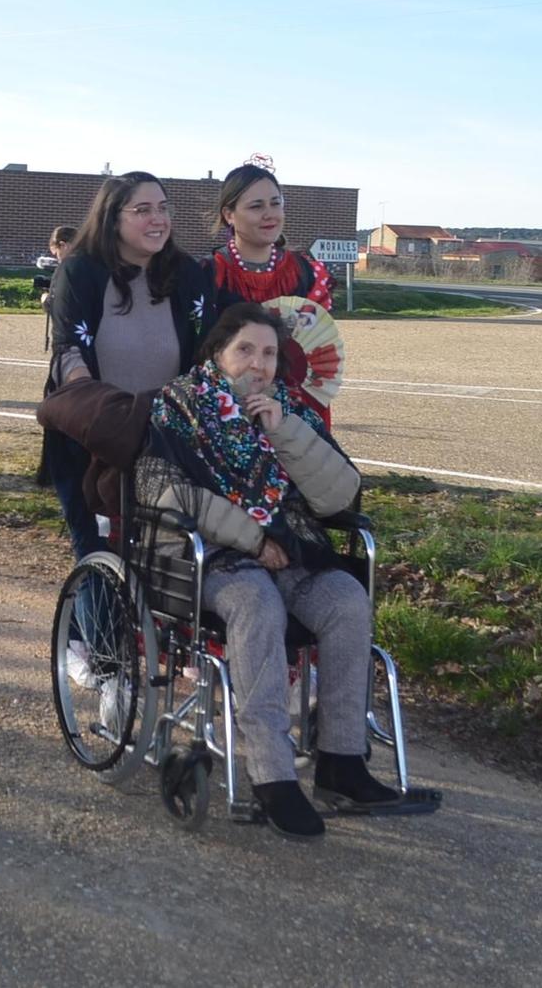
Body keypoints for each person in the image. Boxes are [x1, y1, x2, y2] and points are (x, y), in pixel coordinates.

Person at [142, 302, 406, 837]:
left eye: (268, 353)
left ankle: (341, 761)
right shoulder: (179, 405)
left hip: (294, 554)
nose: (258, 364)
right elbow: (164, 491)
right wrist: (254, 538)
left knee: (345, 600)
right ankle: (271, 776)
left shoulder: (292, 410)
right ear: (218, 352)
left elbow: (340, 495)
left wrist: (285, 432)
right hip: (211, 557)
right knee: (256, 601)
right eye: (245, 350)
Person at [42, 174, 209, 564]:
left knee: (164, 568)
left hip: (167, 447)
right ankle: (91, 621)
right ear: (113, 218)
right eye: (143, 210)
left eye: (164, 208)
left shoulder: (187, 275)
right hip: (91, 443)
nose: (159, 219)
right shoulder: (81, 271)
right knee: (100, 558)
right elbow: (69, 352)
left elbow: (206, 353)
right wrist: (107, 420)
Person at [196, 163, 333, 409]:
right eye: (256, 206)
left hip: (295, 409)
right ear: (229, 214)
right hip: (222, 409)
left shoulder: (307, 274)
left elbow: (316, 352)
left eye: (276, 203)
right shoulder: (206, 275)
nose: (269, 214)